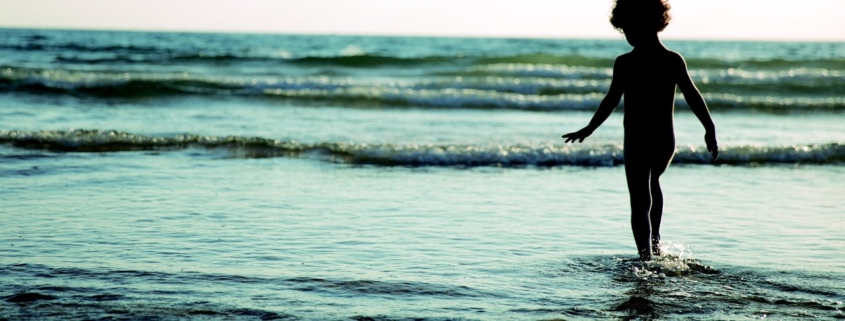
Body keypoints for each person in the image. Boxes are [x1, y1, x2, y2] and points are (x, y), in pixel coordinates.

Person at [562, 0, 718, 261]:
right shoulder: (672, 60)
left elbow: (611, 100)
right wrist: (709, 128)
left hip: (636, 139)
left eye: (627, 29)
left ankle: (645, 257)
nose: (627, 35)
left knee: (639, 198)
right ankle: (655, 244)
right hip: (665, 140)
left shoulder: (626, 63)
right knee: (652, 183)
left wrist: (590, 128)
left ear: (643, 25)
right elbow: (693, 95)